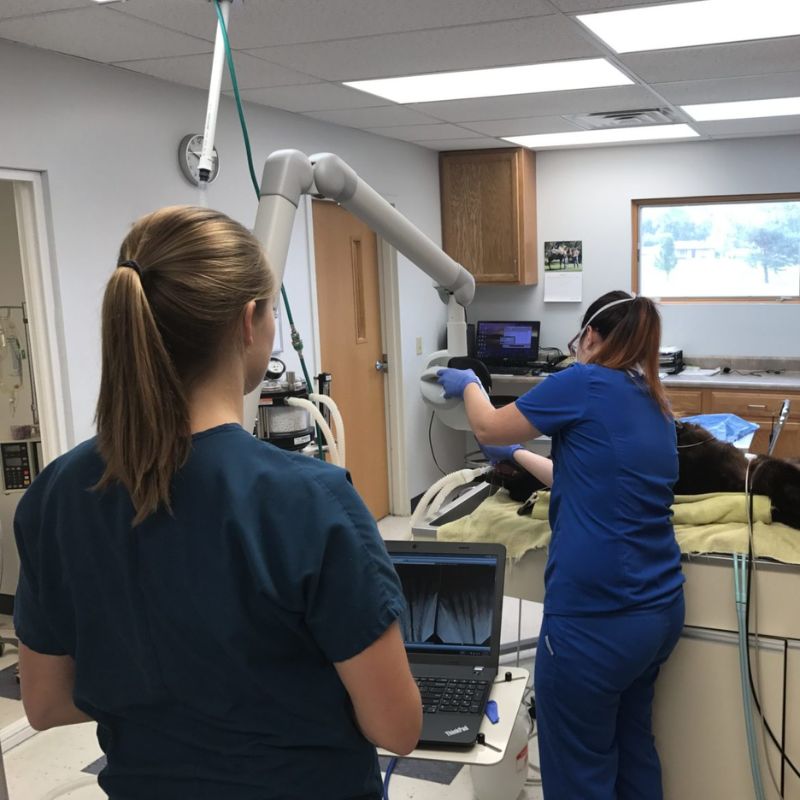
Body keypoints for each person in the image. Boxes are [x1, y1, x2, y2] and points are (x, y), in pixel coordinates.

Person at [14, 206, 421, 800]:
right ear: (249, 320)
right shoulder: (311, 499)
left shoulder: (56, 492)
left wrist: (169, 709)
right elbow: (398, 728)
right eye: (274, 309)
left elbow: (46, 703)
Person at [437, 291, 684, 800]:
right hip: (656, 613)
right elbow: (588, 475)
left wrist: (469, 384)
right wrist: (520, 455)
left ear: (591, 337)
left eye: (578, 342)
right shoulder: (652, 400)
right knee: (632, 745)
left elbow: (485, 425)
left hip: (596, 621)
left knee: (579, 769)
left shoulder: (585, 381)